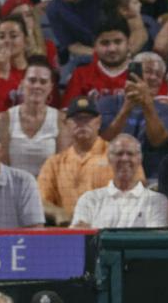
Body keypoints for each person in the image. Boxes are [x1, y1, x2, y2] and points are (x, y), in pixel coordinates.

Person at [98, 50, 168, 180]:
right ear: (132, 73)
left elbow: (157, 141)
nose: (153, 77)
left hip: (151, 178)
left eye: (158, 75)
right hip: (108, 174)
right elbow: (104, 142)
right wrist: (127, 108)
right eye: (148, 71)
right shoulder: (107, 103)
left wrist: (147, 103)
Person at [37, 95, 115, 225]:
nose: (82, 124)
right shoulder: (54, 163)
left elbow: (135, 190)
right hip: (68, 232)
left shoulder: (118, 156)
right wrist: (58, 213)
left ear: (99, 122)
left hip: (108, 230)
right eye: (76, 119)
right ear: (66, 123)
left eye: (88, 119)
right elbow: (40, 200)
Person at [71, 132, 168, 226]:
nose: (124, 159)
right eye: (119, 154)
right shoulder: (89, 199)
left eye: (130, 154)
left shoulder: (157, 201)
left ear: (139, 158)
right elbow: (78, 235)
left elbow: (153, 238)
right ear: (109, 159)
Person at [0, 55, 66, 177]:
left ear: (50, 88)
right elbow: (2, 166)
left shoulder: (61, 119)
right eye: (32, 80)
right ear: (22, 84)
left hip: (47, 191)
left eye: (43, 82)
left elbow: (62, 167)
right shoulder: (4, 119)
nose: (37, 86)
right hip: (14, 189)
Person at [0, 0, 60, 72]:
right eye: (18, 16)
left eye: (28, 15)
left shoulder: (48, 47)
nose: (25, 20)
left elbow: (54, 82)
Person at [62, 18, 132, 107]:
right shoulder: (80, 75)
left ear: (128, 43)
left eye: (118, 42)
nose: (112, 49)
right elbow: (67, 115)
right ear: (94, 46)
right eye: (104, 43)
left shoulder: (144, 74)